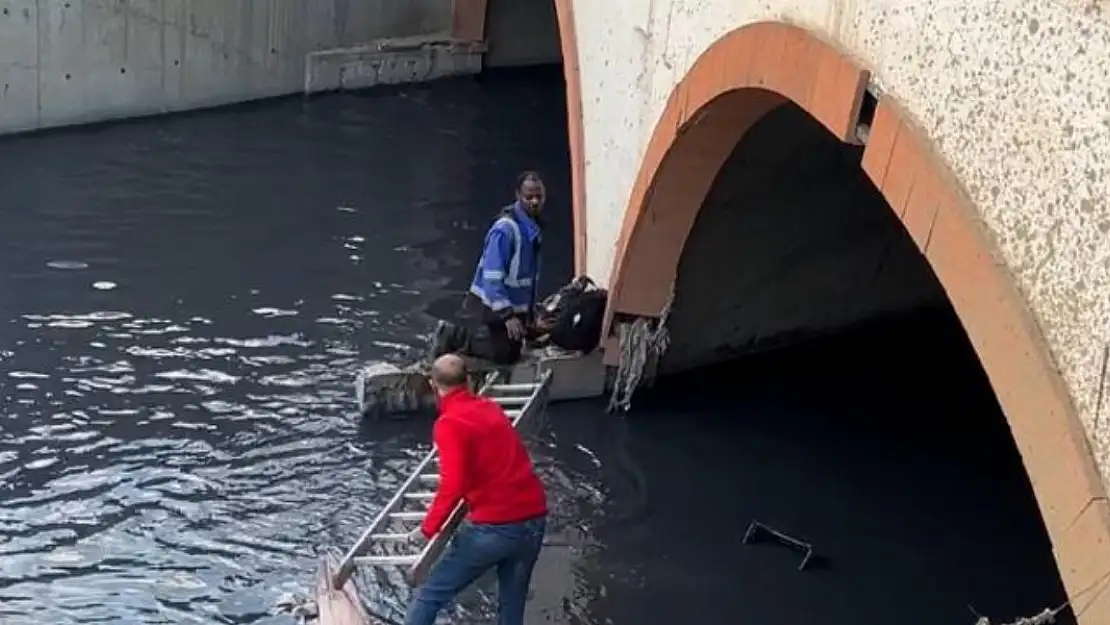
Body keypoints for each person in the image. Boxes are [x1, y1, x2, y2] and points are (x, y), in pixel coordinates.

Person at [405, 354, 548, 625]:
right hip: (534, 518)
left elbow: (453, 484)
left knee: (429, 595)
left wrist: (427, 529)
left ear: (433, 385)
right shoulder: (491, 408)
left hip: (495, 527)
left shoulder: (448, 424)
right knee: (511, 602)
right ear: (469, 380)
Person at [430, 171, 547, 365]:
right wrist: (507, 316)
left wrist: (530, 316)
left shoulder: (531, 228)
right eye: (529, 197)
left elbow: (528, 279)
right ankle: (454, 334)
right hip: (491, 306)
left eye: (539, 197)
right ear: (518, 196)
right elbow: (492, 278)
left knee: (516, 346)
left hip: (512, 305)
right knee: (505, 356)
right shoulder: (505, 231)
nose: (534, 202)